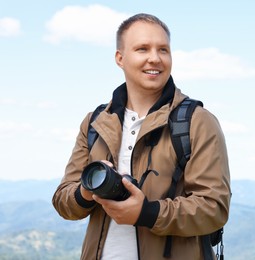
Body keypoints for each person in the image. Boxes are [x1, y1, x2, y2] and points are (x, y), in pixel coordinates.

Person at [52, 13, 231, 260]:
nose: (155, 58)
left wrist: (147, 213)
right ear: (120, 58)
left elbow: (214, 208)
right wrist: (87, 190)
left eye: (163, 50)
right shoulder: (95, 122)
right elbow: (63, 202)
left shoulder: (197, 121)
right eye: (142, 49)